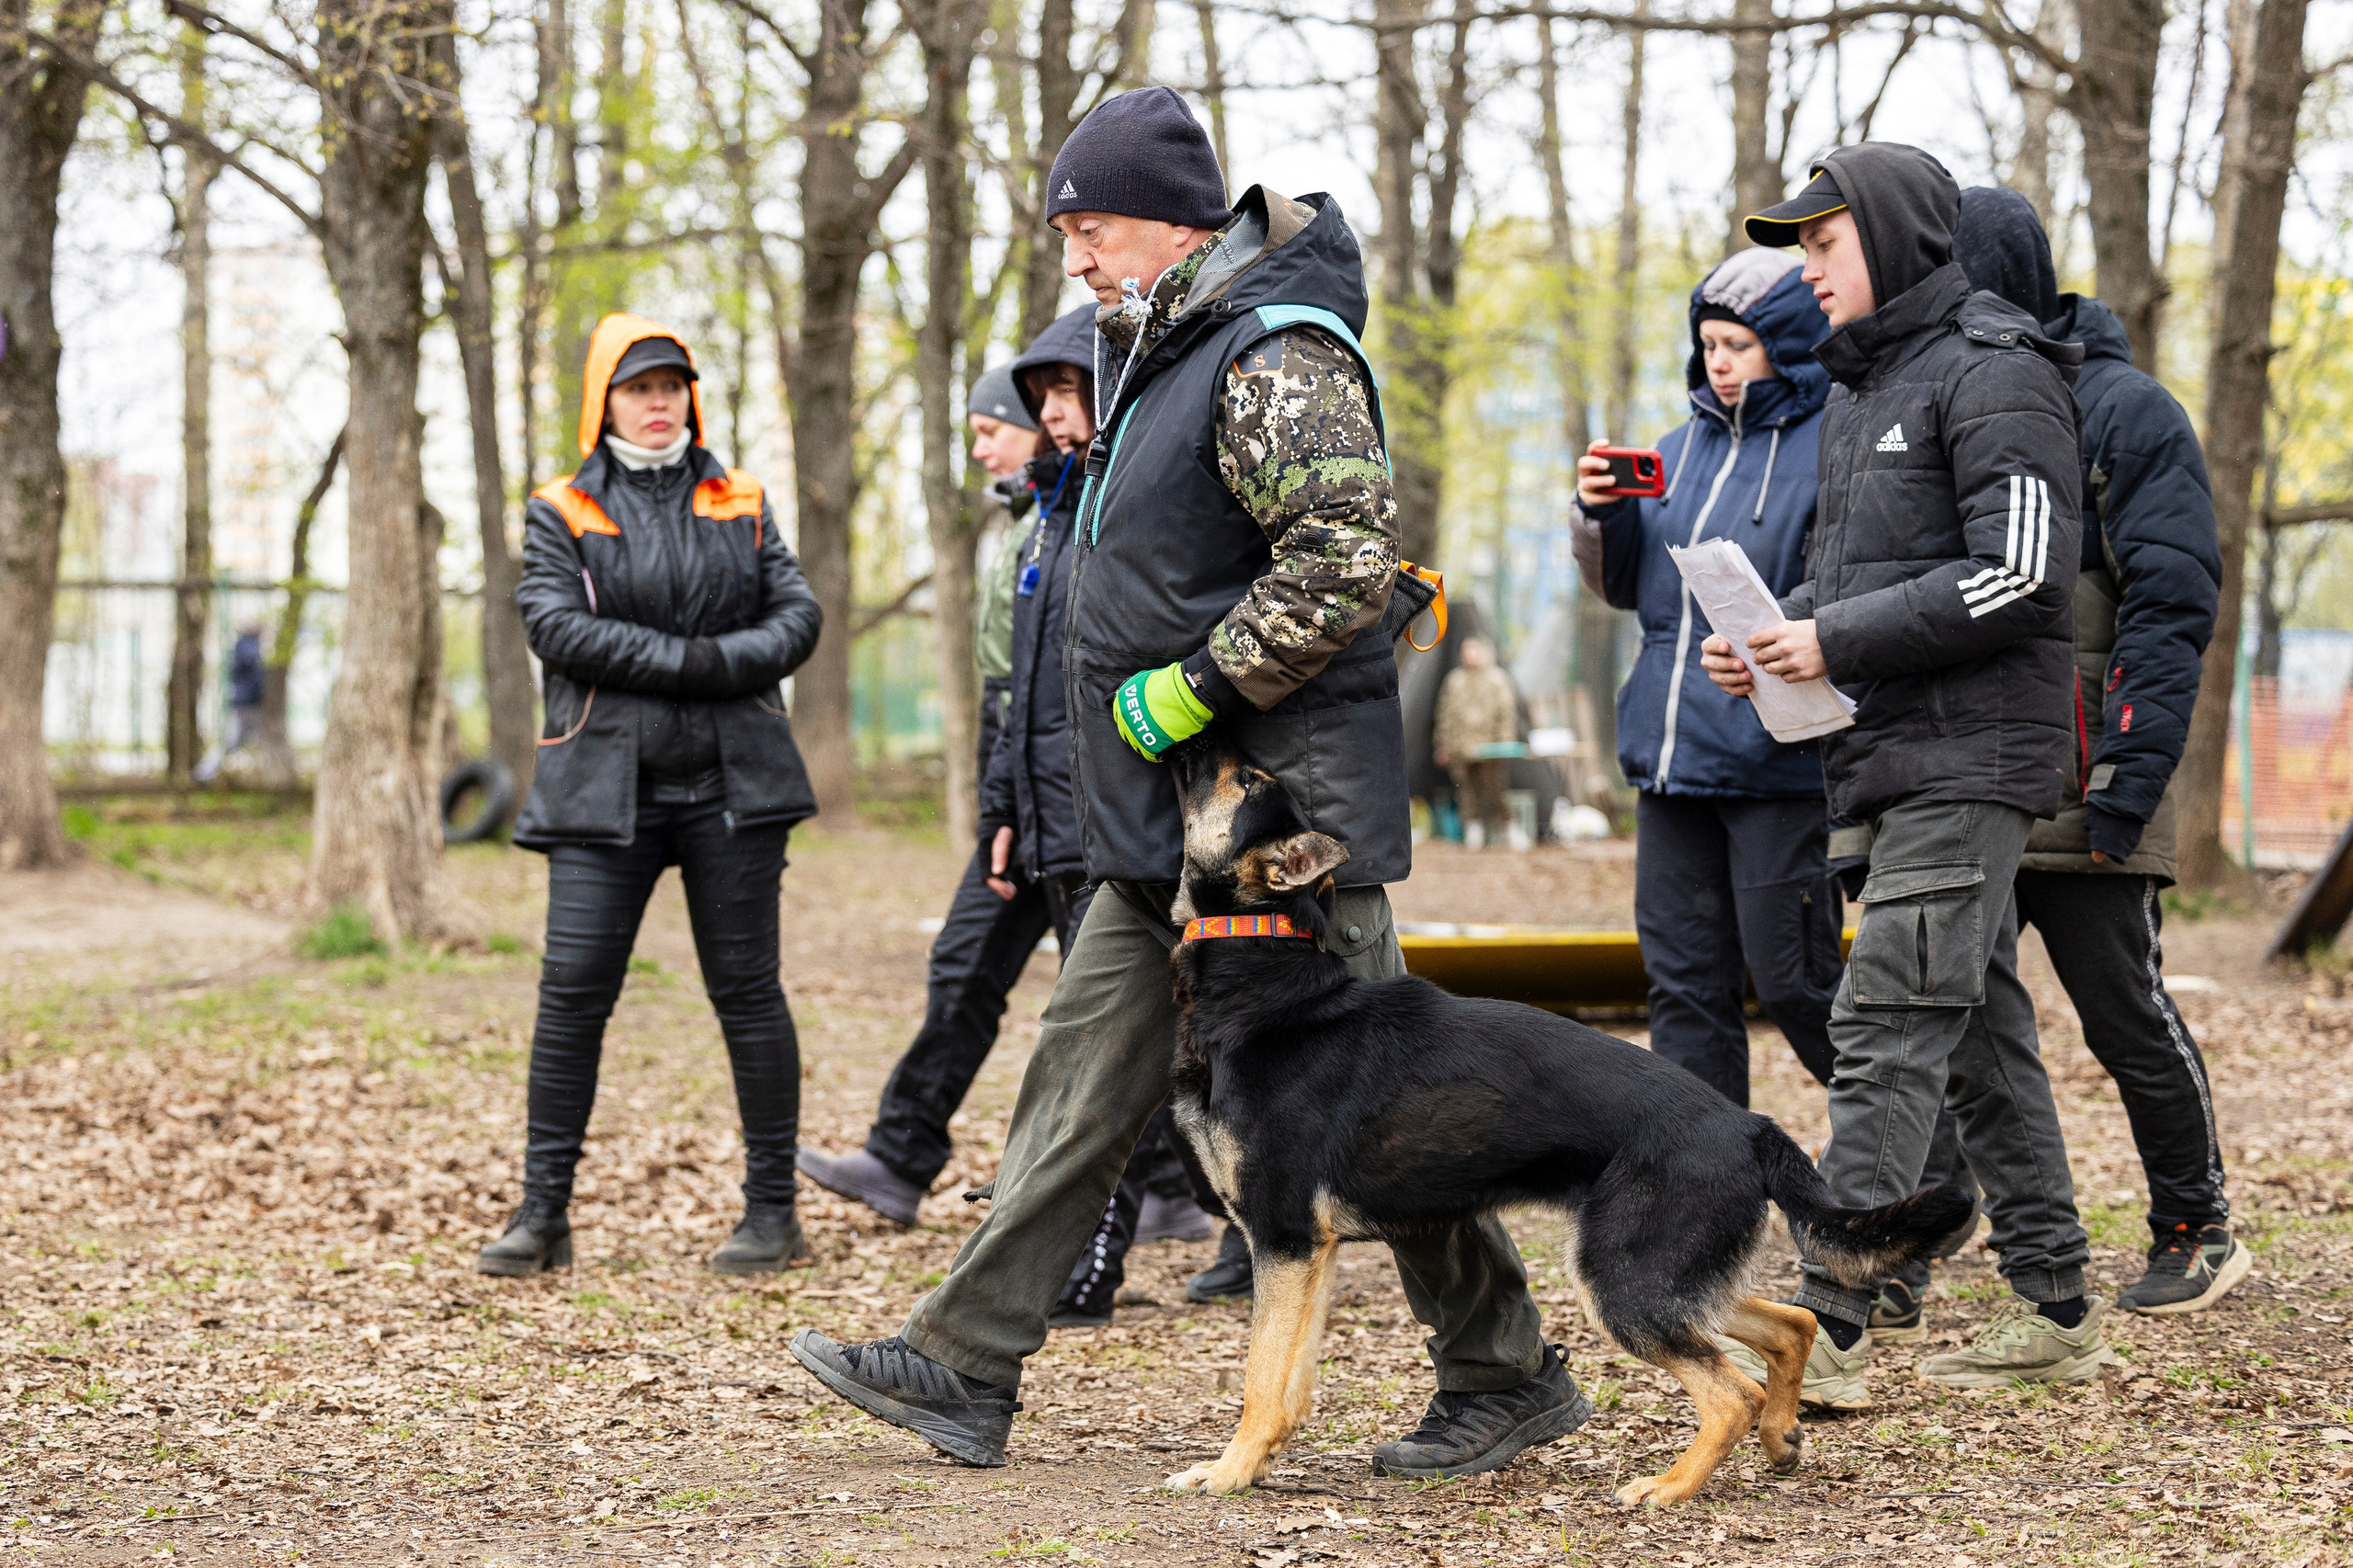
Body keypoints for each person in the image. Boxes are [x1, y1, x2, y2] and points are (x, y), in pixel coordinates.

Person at [789, 86, 1586, 1479]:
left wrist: (1197, 686)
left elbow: (1341, 556)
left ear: (1171, 221)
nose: (1078, 262)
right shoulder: (1159, 353)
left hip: (1278, 825)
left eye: (1090, 230)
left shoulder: (1275, 350)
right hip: (1164, 826)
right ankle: (965, 1359)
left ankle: (1503, 1367)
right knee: (1081, 1072)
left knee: (1384, 1108)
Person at [1710, 143, 2113, 1402]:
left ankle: (1830, 1324)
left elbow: (2021, 572)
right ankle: (2055, 1306)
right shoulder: (1861, 389)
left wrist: (1835, 634)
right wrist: (1779, 637)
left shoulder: (1999, 374)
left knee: (1884, 1024)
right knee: (1981, 1035)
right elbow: (1872, 577)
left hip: (1976, 758)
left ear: (1886, 237)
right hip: (1891, 755)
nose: (1805, 271)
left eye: (1822, 245)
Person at [795, 310, 1211, 1310]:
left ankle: (1173, 1213)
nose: (1018, 431)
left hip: (1106, 814)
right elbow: (1015, 692)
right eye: (1038, 403)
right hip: (1035, 805)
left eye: (1060, 401)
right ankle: (923, 1162)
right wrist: (1002, 813)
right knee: (1045, 1006)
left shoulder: (1113, 513)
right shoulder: (1040, 526)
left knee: (1115, 1033)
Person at [1930, 186, 2243, 1316]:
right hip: (1972, 772)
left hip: (2091, 773)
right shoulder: (1944, 400)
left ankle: (2194, 1220)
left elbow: (2168, 607)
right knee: (1945, 1004)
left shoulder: (2124, 409)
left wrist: (2126, 778)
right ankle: (1927, 1223)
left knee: (2121, 1010)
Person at [479, 314, 822, 1278]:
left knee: (749, 995)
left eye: (672, 384)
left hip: (734, 788)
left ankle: (773, 1212)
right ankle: (542, 1214)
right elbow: (553, 622)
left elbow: (797, 615)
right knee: (572, 995)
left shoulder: (741, 495)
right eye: (639, 387)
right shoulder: (562, 508)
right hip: (602, 791)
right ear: (605, 401)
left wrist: (709, 663)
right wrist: (695, 660)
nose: (659, 401)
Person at [1568, 246, 1841, 1106]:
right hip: (1672, 759)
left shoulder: (1836, 441)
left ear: (1789, 347)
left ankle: (1926, 1165)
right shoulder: (1674, 451)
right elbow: (1624, 589)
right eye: (1710, 343)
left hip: (1778, 764)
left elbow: (1844, 584)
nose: (1720, 362)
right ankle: (1704, 1191)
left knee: (1798, 985)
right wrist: (1597, 515)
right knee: (1684, 989)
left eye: (1741, 345)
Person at [1432, 637, 1527, 851]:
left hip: (1490, 748)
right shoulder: (1455, 680)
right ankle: (1473, 831)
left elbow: (1506, 714)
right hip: (1461, 748)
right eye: (1467, 650)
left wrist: (1504, 745)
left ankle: (1508, 827)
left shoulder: (1497, 679)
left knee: (1496, 789)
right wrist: (1443, 745)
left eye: (1475, 650)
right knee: (1466, 791)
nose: (1470, 655)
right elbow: (1444, 715)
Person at [193, 624, 266, 784]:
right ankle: (203, 774)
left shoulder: (241, 647)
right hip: (247, 703)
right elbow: (257, 675)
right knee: (234, 741)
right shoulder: (248, 647)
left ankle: (204, 773)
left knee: (242, 741)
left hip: (244, 702)